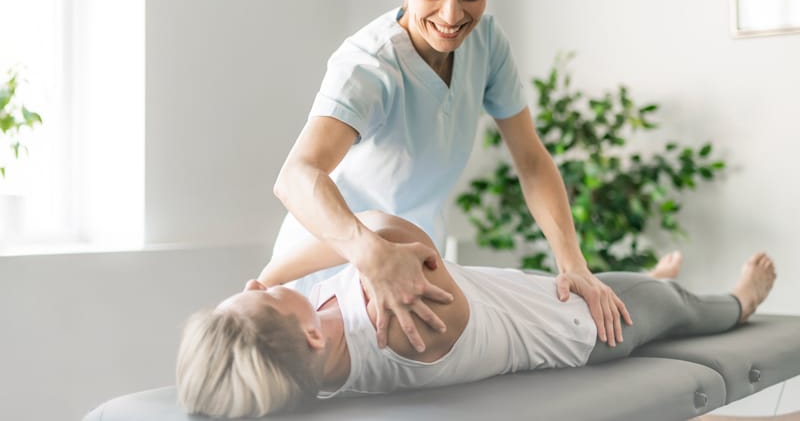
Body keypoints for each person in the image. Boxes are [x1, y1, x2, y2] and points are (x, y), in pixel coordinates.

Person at [269, 0, 630, 355]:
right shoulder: (368, 65)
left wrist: (573, 264)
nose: (452, 16)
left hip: (414, 265)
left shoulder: (488, 44)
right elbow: (296, 177)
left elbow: (532, 160)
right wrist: (370, 255)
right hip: (333, 271)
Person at [176, 211, 777, 418]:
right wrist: (279, 275)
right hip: (581, 326)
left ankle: (650, 278)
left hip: (526, 291)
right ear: (308, 332)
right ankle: (739, 299)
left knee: (645, 287)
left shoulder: (318, 347)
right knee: (677, 307)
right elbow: (384, 228)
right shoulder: (404, 327)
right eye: (255, 293)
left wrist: (270, 291)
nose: (257, 282)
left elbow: (360, 241)